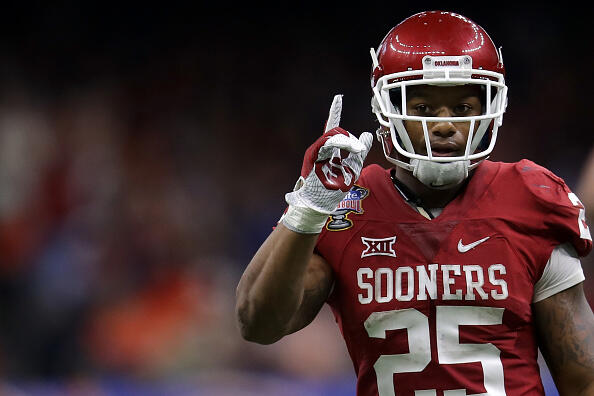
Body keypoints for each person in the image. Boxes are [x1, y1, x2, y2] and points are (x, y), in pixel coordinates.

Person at [235, 10, 594, 396]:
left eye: (463, 108)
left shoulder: (529, 198)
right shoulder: (348, 206)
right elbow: (258, 323)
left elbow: (583, 377)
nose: (444, 124)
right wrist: (308, 207)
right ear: (385, 111)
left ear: (491, 109)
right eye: (423, 108)